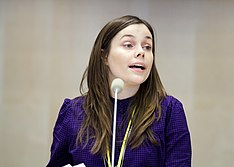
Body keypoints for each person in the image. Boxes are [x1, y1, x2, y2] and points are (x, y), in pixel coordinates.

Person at [47, 15, 192, 167]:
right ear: (104, 56)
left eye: (147, 47)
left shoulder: (168, 111)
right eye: (129, 45)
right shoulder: (73, 112)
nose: (141, 52)